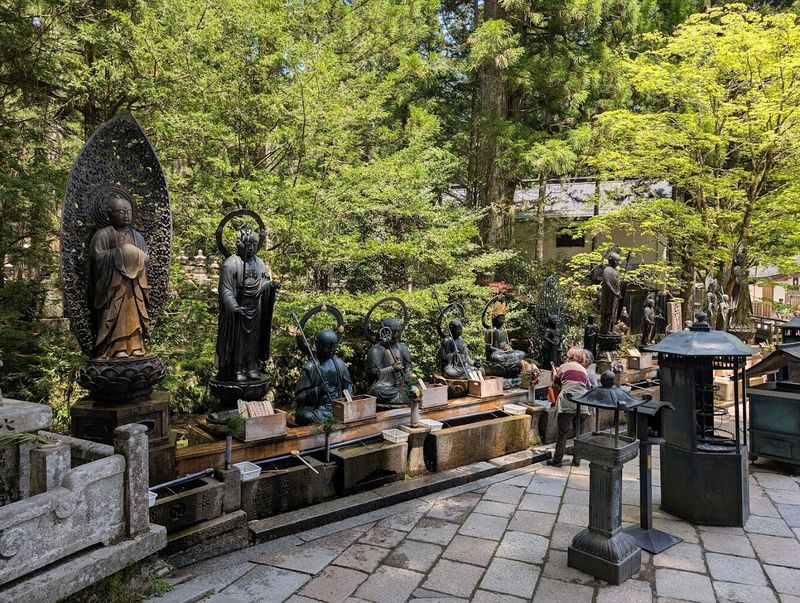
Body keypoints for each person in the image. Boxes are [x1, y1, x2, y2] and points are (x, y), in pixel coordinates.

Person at [89, 191, 150, 358]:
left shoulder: (137, 236)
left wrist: (135, 255)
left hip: (134, 287)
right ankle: (116, 347)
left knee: (134, 313)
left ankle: (135, 345)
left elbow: (146, 258)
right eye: (121, 212)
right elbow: (96, 258)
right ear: (110, 214)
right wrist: (119, 253)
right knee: (116, 313)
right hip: (113, 287)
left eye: (128, 212)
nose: (126, 215)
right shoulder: (103, 235)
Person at [216, 224, 279, 381]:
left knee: (253, 339)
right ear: (240, 244)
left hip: (255, 307)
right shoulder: (231, 263)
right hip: (238, 307)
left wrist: (271, 286)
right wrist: (234, 307)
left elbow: (263, 282)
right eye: (248, 244)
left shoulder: (260, 263)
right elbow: (225, 290)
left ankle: (251, 365)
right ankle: (236, 368)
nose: (251, 248)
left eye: (254, 244)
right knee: (239, 339)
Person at [295, 329, 353, 426]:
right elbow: (300, 397)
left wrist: (347, 401)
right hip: (318, 409)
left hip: (337, 406)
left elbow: (348, 386)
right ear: (318, 345)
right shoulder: (310, 367)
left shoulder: (339, 363)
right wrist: (317, 391)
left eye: (334, 346)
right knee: (305, 416)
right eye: (327, 346)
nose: (331, 350)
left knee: (349, 410)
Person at [547, 347, 591, 467]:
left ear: (570, 356)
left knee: (563, 433)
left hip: (567, 401)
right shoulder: (584, 370)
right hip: (582, 404)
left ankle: (557, 460)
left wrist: (555, 374)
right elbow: (587, 386)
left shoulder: (564, 366)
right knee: (579, 434)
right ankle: (577, 460)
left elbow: (556, 383)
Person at [366, 317, 412, 406]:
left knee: (415, 389)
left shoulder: (403, 348)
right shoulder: (376, 350)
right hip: (384, 386)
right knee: (384, 393)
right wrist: (392, 369)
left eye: (398, 331)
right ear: (385, 332)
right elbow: (371, 374)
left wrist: (409, 378)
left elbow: (408, 370)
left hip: (401, 384)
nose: (397, 335)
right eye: (394, 332)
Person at [484, 305, 527, 377]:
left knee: (521, 353)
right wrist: (500, 351)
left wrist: (509, 348)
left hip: (506, 354)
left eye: (503, 319)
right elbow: (488, 348)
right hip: (496, 354)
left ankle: (512, 363)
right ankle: (512, 365)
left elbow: (506, 344)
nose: (502, 321)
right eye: (500, 319)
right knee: (498, 358)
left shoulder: (504, 331)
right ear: (494, 319)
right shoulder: (490, 331)